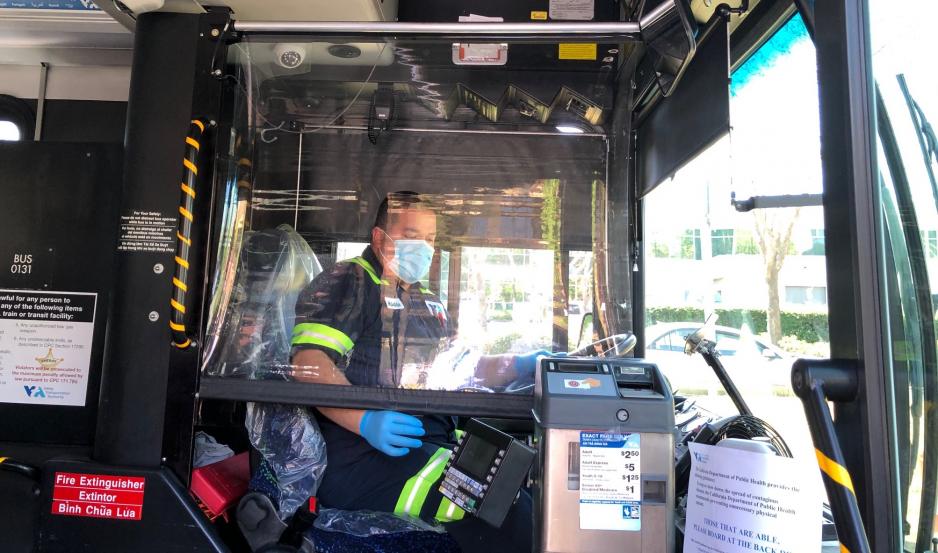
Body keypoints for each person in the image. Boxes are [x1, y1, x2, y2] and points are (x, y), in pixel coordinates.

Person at [290, 191, 545, 552]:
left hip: (425, 445)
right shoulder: (349, 282)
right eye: (411, 236)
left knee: (526, 489)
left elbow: (462, 368)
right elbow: (308, 364)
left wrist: (522, 365)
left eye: (429, 238)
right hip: (362, 458)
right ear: (380, 238)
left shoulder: (428, 303)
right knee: (511, 517)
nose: (423, 248)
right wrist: (365, 421)